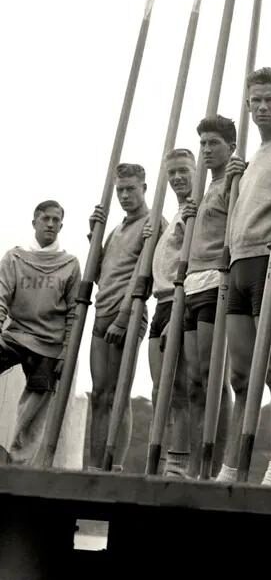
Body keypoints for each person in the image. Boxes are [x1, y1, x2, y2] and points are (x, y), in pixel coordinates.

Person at [218, 67, 271, 487]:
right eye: (255, 101)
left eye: (270, 99)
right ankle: (234, 464)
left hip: (270, 261)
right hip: (238, 266)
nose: (262, 107)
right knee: (239, 376)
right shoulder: (245, 163)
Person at [88, 162, 160, 471]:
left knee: (118, 394)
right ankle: (94, 466)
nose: (125, 195)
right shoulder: (117, 229)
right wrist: (94, 235)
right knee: (99, 395)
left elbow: (147, 277)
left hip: (127, 314)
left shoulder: (153, 223)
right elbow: (97, 274)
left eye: (131, 189)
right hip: (102, 311)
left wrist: (123, 316)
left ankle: (113, 466)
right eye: (120, 190)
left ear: (144, 188)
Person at [0, 200, 81, 464]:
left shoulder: (70, 264)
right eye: (45, 218)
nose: (50, 224)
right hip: (15, 336)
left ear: (61, 226)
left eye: (56, 220)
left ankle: (17, 465)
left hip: (49, 344)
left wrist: (66, 351)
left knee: (35, 407)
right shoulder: (15, 257)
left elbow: (73, 312)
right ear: (34, 222)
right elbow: (1, 297)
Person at [181, 117, 236, 479]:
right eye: (202, 144)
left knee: (213, 374)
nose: (206, 150)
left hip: (216, 280)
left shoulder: (233, 179)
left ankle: (214, 465)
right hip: (190, 283)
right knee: (194, 381)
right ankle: (196, 461)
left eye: (213, 143)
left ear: (230, 146)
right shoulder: (204, 187)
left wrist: (235, 177)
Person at [146, 148, 195, 478]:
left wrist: (180, 310)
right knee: (157, 391)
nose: (177, 177)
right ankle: (158, 459)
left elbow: (195, 263)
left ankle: (177, 463)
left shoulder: (195, 209)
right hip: (160, 304)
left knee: (179, 388)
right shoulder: (174, 215)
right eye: (172, 172)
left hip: (181, 299)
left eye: (183, 170)